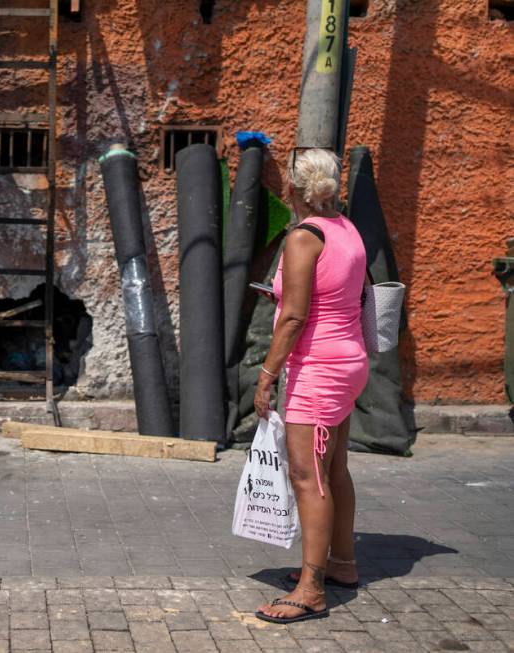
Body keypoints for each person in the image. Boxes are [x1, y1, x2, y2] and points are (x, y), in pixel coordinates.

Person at [253, 148, 369, 623]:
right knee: (334, 469)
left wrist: (266, 376)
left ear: (293, 191)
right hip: (349, 361)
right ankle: (342, 563)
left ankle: (311, 589)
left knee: (309, 477)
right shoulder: (346, 228)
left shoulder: (304, 238)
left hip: (317, 369)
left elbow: (296, 316)